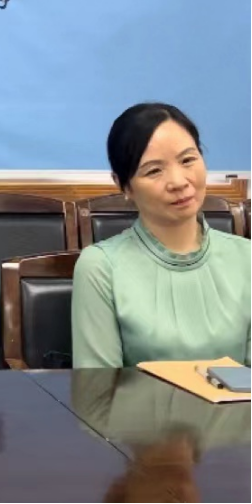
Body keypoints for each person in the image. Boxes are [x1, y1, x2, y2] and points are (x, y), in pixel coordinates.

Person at [72, 103, 251, 369]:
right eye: (154, 170)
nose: (178, 182)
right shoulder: (100, 268)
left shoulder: (246, 258)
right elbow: (98, 387)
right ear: (124, 185)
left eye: (188, 160)